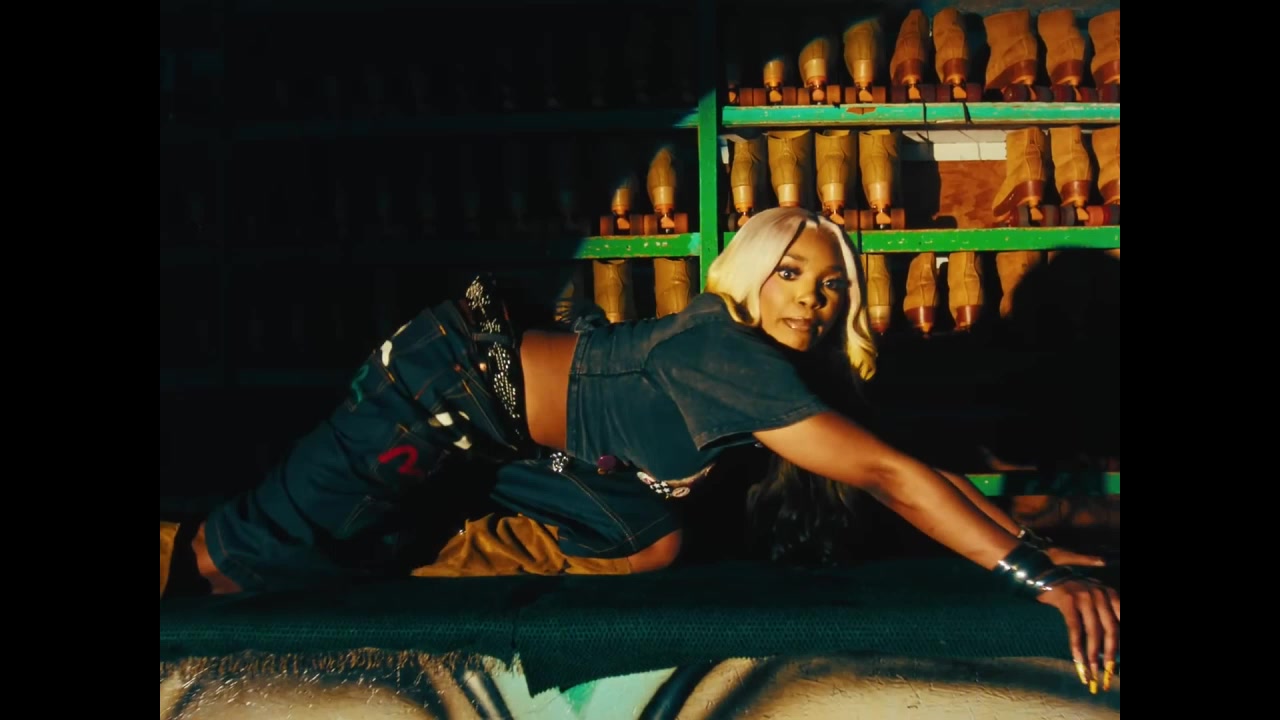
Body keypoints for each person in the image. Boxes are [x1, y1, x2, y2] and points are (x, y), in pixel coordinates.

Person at [160, 206, 1118, 693]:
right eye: (791, 272)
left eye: (832, 286)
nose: (811, 298)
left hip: (523, 441)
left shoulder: (767, 368)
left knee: (645, 542)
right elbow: (887, 476)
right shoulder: (728, 353)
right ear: (750, 271)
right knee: (233, 564)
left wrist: (1033, 547)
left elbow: (906, 463)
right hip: (438, 392)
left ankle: (417, 543)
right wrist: (1035, 580)